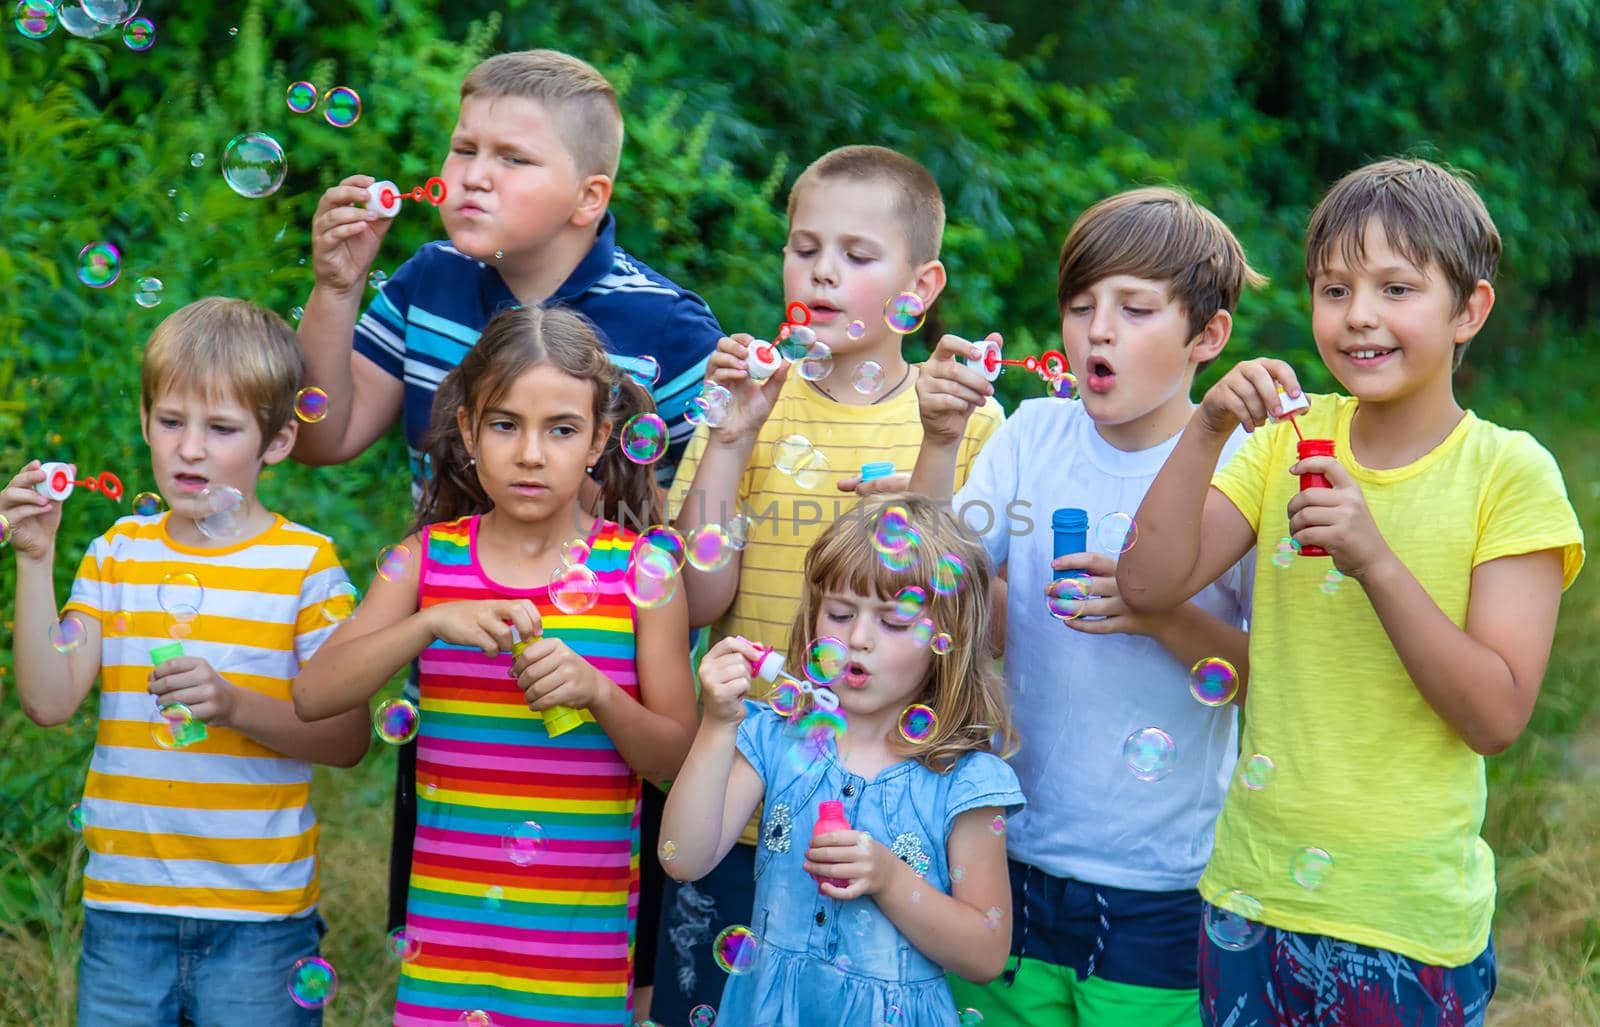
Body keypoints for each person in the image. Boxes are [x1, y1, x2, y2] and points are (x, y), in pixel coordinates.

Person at [1118, 157, 1585, 1026]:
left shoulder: (1508, 475)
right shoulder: (1283, 438)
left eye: (1397, 288)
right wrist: (1208, 425)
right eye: (1333, 290)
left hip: (1403, 921)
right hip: (1252, 898)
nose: (1359, 315)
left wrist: (1375, 558)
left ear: (1468, 311)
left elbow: (1496, 715)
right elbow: (1146, 582)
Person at [291, 50, 721, 990]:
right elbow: (324, 435)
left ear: (588, 196)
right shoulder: (427, 281)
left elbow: (687, 538)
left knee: (596, 960)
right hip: (455, 674)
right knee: (459, 938)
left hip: (602, 686)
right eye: (465, 146)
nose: (475, 172)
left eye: (513, 158)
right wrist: (337, 287)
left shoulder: (670, 329)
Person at [656, 144, 1006, 1020]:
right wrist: (732, 437)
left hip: (894, 812)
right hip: (743, 793)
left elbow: (972, 613)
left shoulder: (967, 418)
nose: (821, 271)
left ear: (919, 290)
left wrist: (937, 453)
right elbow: (695, 598)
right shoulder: (744, 404)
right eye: (803, 247)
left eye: (855, 255)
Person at [912, 187, 1262, 1026]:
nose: (1097, 330)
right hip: (1005, 857)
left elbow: (1267, 677)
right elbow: (931, 586)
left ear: (1206, 337)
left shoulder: (1247, 468)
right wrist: (938, 444)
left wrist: (1158, 612)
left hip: (1164, 884)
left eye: (1135, 308)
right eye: (1080, 306)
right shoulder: (1033, 435)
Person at [292, 305, 697, 1026]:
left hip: (579, 954)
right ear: (471, 432)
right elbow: (315, 693)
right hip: (445, 944)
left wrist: (599, 691)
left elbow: (673, 756)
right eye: (505, 424)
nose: (531, 453)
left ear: (603, 438)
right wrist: (426, 622)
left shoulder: (643, 570)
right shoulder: (426, 560)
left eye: (562, 429)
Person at [2, 298, 370, 1026]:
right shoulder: (117, 555)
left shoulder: (306, 566)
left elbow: (348, 737)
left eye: (222, 428)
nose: (189, 449)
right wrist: (36, 560)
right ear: (145, 423)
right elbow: (49, 700)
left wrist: (234, 705)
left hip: (260, 914)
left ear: (277, 440)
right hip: (125, 909)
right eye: (171, 422)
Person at [661, 494, 1024, 1025]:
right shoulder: (774, 736)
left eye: (895, 623)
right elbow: (681, 857)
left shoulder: (964, 781)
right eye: (839, 613)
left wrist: (890, 879)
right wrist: (717, 724)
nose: (857, 639)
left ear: (945, 641)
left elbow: (987, 954)